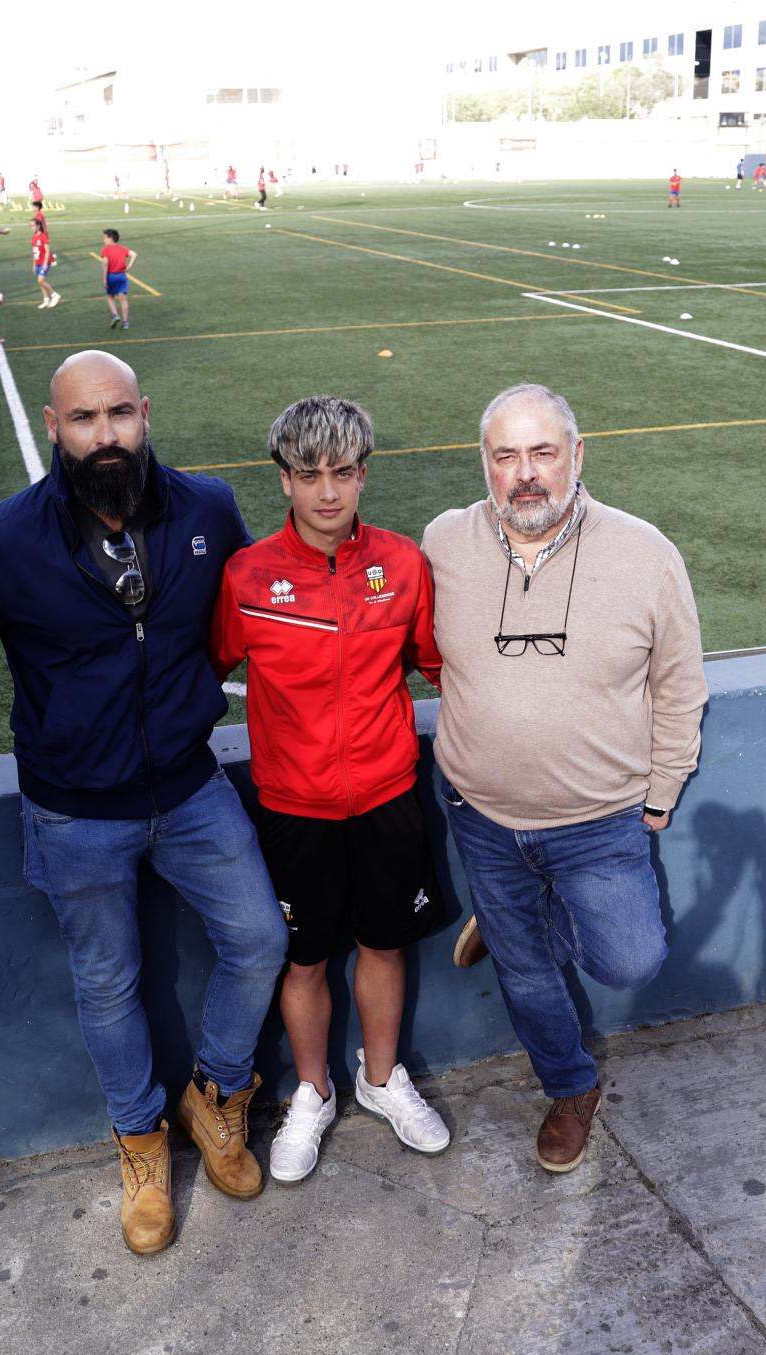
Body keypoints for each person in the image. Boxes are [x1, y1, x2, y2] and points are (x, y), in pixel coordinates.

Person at [0, 350, 287, 1257]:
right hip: (74, 812)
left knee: (261, 937)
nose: (105, 434)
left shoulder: (208, 509)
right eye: (84, 419)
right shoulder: (0, 539)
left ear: (145, 413)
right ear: (54, 426)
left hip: (190, 786)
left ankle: (217, 1096)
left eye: (119, 414)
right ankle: (142, 1146)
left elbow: (247, 619)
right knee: (107, 985)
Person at [424, 384, 707, 1176]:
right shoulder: (445, 539)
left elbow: (680, 683)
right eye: (505, 455)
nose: (525, 475)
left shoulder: (646, 553)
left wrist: (663, 790)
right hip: (480, 812)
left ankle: (521, 926)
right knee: (522, 973)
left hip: (600, 820)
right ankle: (570, 1085)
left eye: (543, 452)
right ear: (484, 464)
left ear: (577, 456)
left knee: (630, 959)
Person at [210, 395, 450, 1184]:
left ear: (363, 475)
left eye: (342, 473)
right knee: (305, 958)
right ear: (282, 478)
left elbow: (437, 663)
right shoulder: (246, 577)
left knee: (384, 944)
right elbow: (202, 672)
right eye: (308, 474)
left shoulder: (405, 563)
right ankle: (312, 1092)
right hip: (292, 808)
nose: (327, 492)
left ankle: (380, 1081)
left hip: (388, 795)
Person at [101, 228, 135, 330]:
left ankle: (115, 315)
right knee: (123, 299)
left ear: (110, 238)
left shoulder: (105, 250)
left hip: (111, 276)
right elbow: (134, 255)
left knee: (110, 297)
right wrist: (129, 267)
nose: (103, 240)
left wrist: (104, 279)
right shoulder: (122, 249)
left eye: (105, 238)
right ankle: (125, 323)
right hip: (122, 276)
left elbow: (105, 264)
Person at [32, 223, 60, 309]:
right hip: (38, 262)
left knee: (40, 280)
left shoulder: (43, 236)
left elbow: (47, 250)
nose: (31, 228)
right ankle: (46, 299)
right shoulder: (34, 237)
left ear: (38, 226)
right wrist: (34, 264)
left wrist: (45, 263)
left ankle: (54, 295)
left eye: (33, 226)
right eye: (30, 226)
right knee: (40, 282)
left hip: (44, 262)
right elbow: (34, 252)